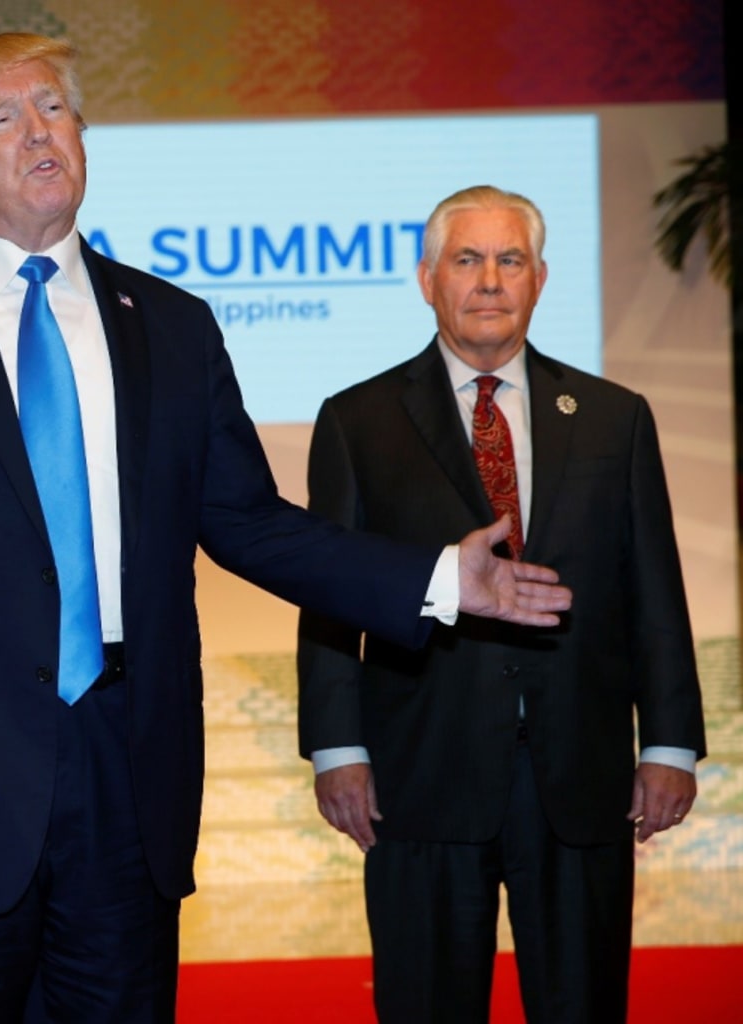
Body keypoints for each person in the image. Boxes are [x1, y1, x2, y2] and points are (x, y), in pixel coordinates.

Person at [0, 39, 570, 1023]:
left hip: (128, 784)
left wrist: (427, 579)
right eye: (4, 117)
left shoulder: (172, 323)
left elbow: (248, 521)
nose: (41, 129)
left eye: (55, 108)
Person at [297, 184, 706, 1023]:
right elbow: (331, 599)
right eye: (468, 259)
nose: (490, 280)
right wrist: (337, 748)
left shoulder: (613, 418)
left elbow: (654, 590)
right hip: (421, 775)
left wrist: (670, 742)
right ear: (427, 280)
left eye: (509, 260)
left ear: (541, 278)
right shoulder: (356, 421)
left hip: (581, 774)